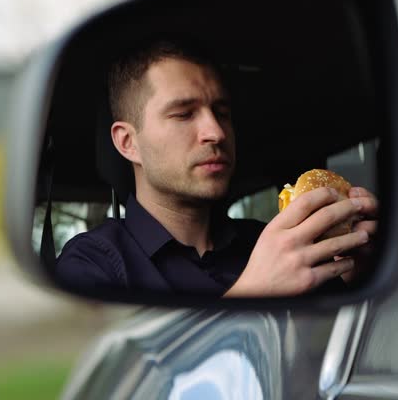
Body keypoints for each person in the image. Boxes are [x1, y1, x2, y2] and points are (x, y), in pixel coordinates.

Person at [55, 39, 378, 296]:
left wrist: (351, 274)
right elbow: (125, 374)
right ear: (128, 142)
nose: (216, 132)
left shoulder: (274, 241)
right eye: (184, 114)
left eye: (221, 112)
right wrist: (254, 290)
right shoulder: (93, 263)